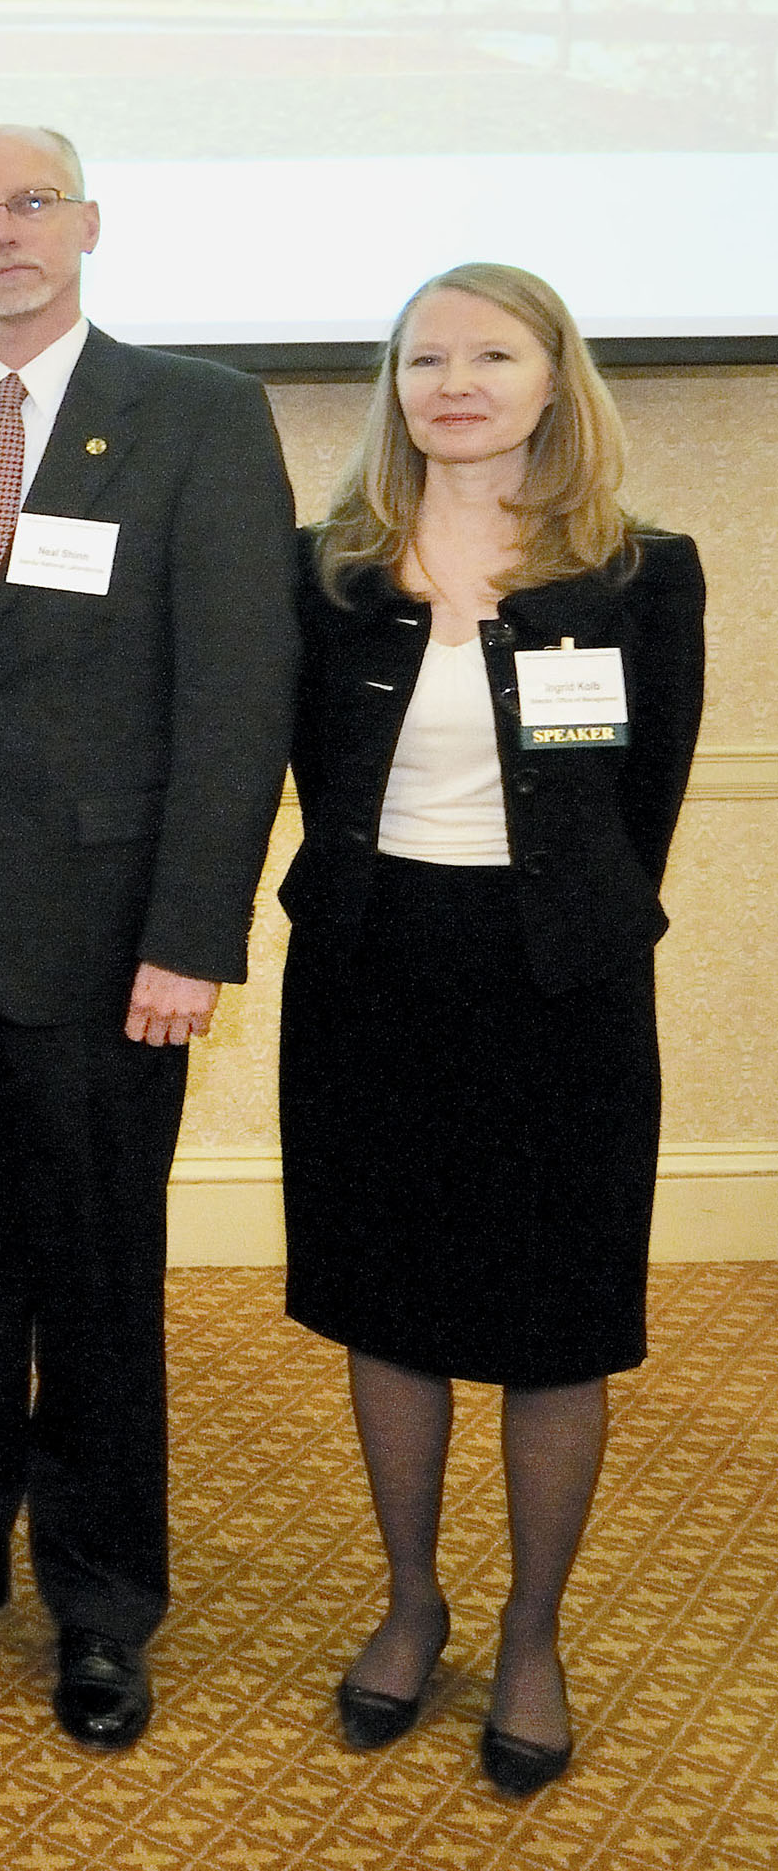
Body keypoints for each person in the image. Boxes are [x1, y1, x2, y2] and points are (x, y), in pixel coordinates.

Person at [0, 125, 300, 1748]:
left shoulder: (201, 416)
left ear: (90, 223)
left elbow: (241, 697)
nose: (5, 234)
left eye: (32, 205)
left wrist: (194, 936)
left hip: (109, 944)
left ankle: (102, 1600)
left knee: (97, 1280)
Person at [278, 263, 705, 1796]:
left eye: (491, 353)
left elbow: (638, 807)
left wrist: (568, 930)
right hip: (371, 974)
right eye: (423, 358)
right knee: (386, 1300)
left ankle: (533, 1632)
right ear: (395, 389)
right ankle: (412, 1602)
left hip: (564, 994)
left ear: (552, 376)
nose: (453, 381)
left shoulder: (645, 571)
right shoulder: (328, 569)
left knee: (555, 1318)